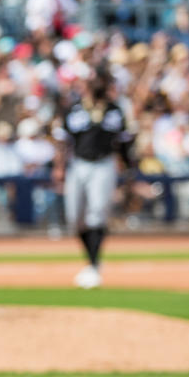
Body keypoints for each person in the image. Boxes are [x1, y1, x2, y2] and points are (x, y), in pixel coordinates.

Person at [58, 73, 133, 289]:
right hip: (78, 164)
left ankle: (93, 264)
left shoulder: (114, 110)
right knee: (75, 217)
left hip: (104, 164)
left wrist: (128, 169)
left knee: (97, 213)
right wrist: (59, 167)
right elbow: (63, 141)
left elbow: (124, 142)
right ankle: (92, 262)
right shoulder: (75, 109)